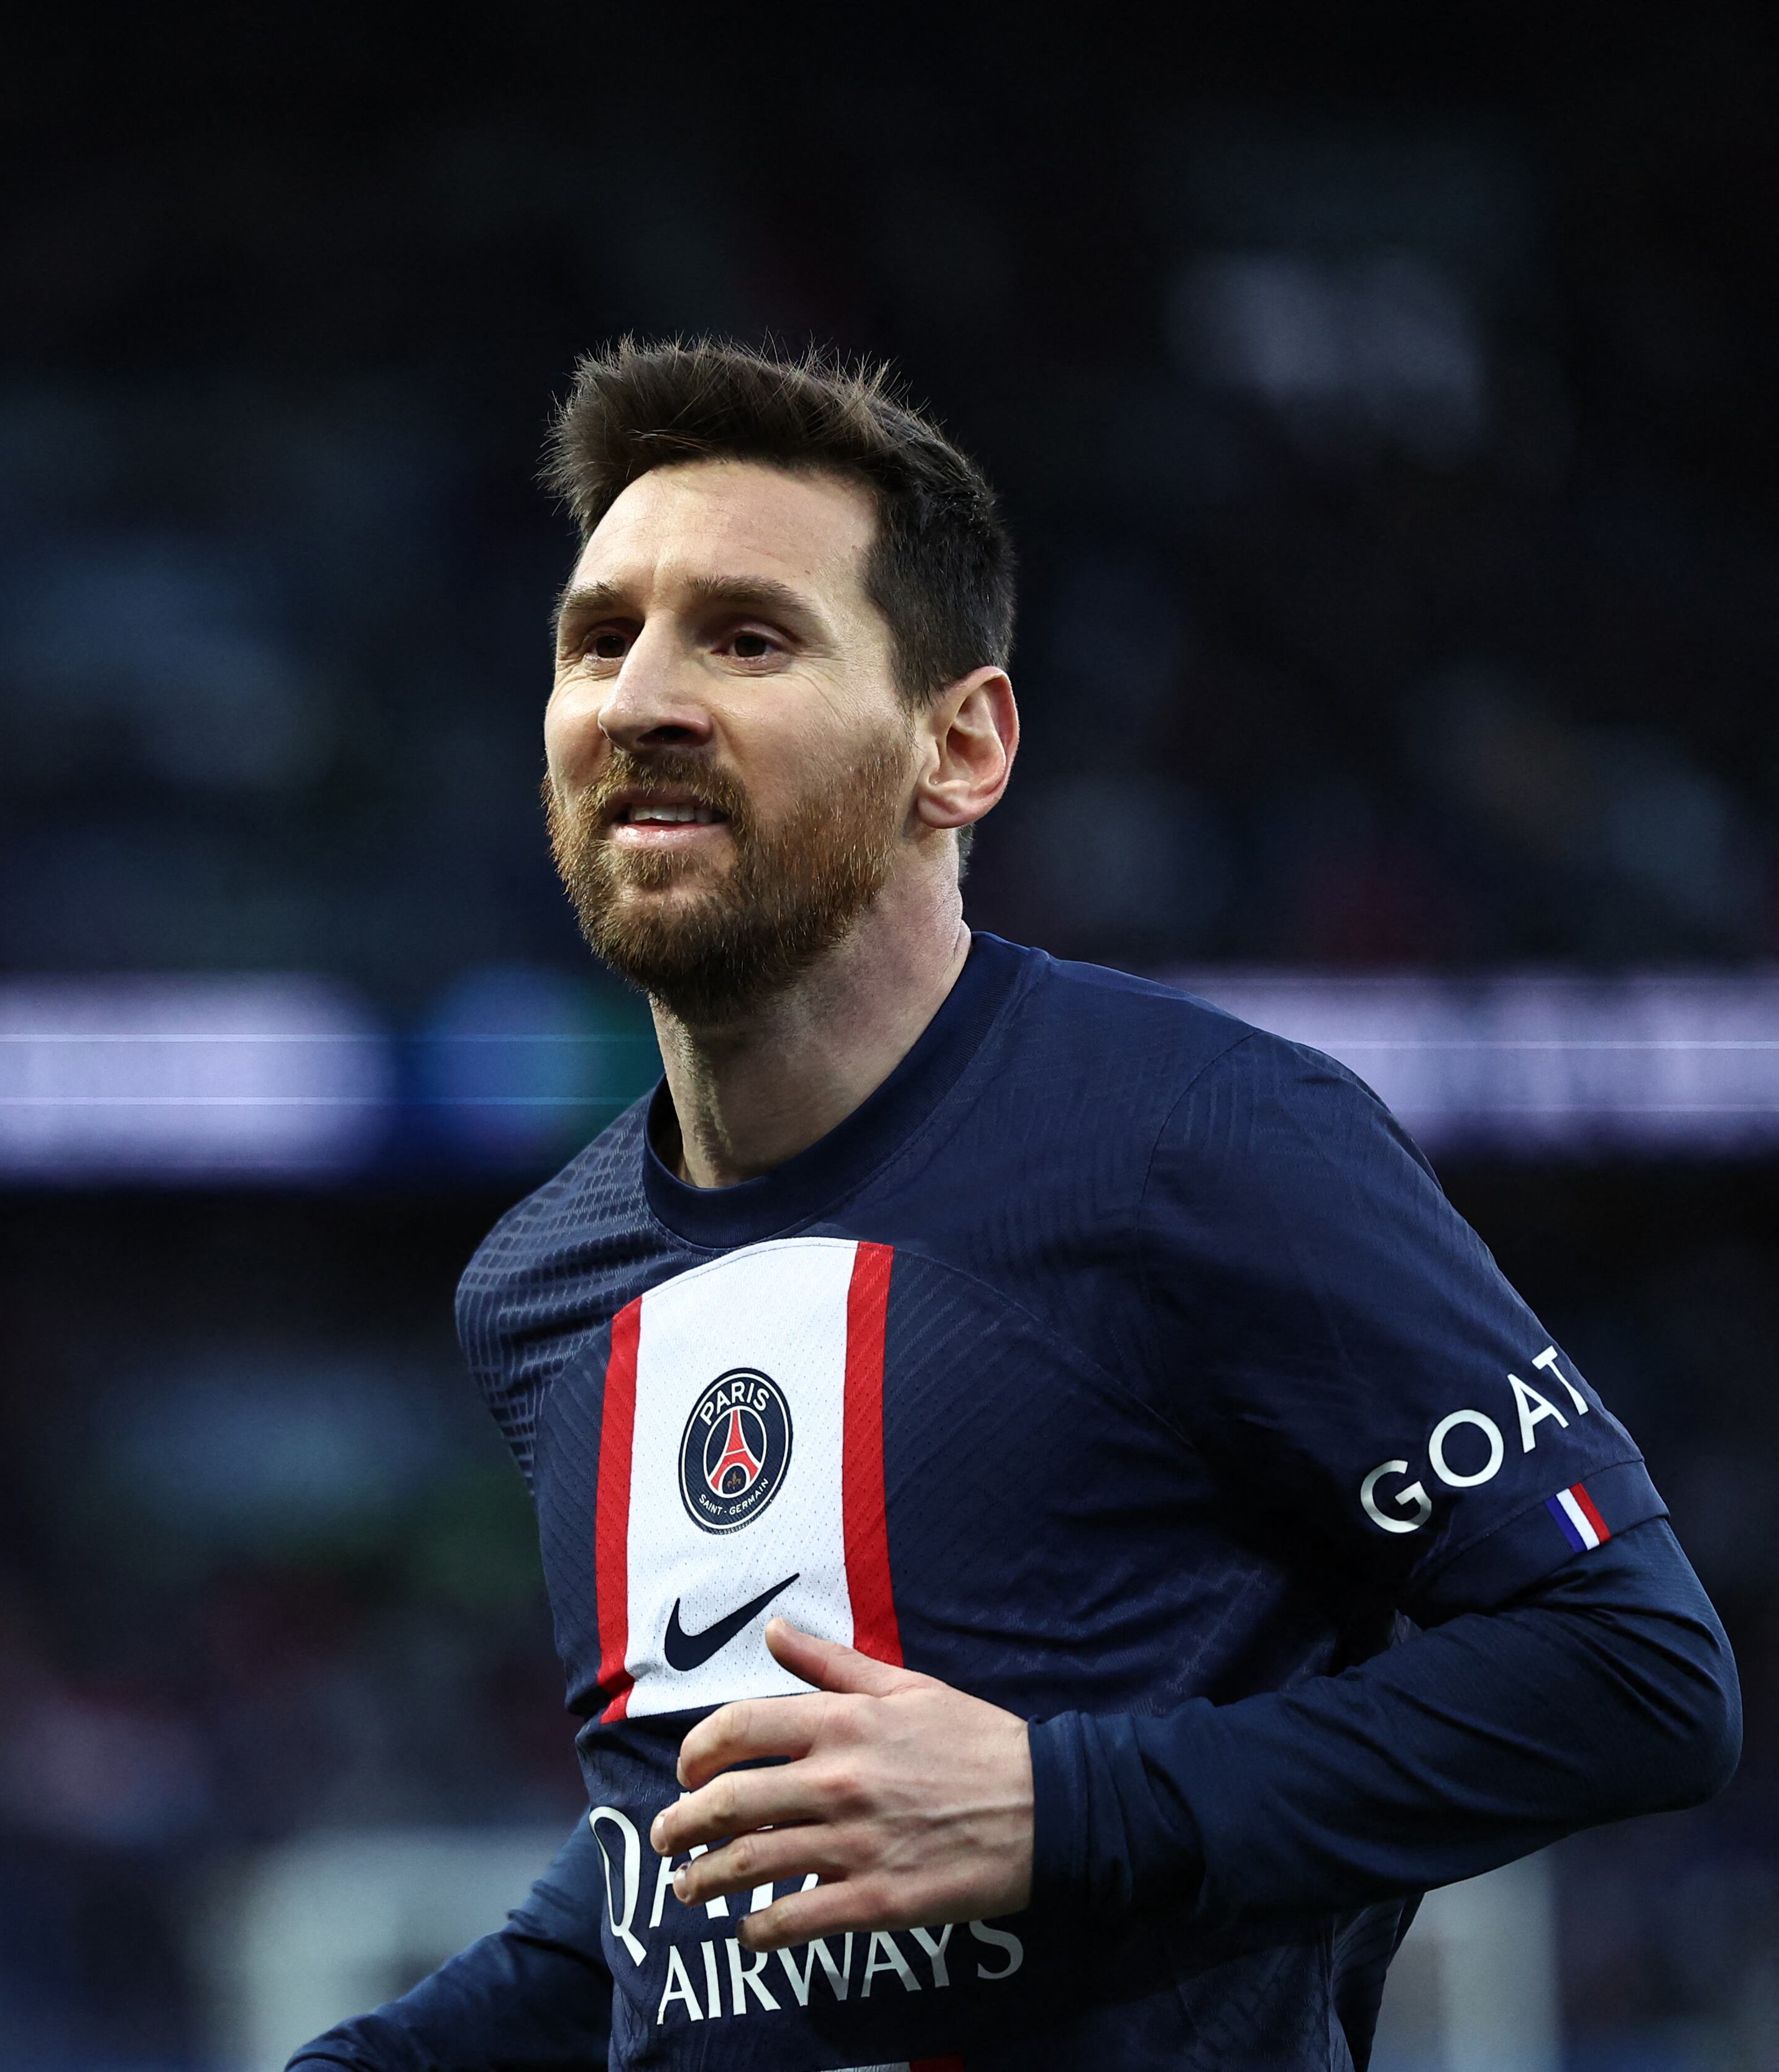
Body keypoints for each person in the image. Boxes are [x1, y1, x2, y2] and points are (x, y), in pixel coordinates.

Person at [288, 340, 1740, 2070]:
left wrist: (1060, 1805)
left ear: (959, 747)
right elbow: (686, 1917)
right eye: (602, 639)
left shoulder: (1206, 1142)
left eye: (749, 637)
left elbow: (1636, 1675)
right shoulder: (544, 1290)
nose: (642, 698)